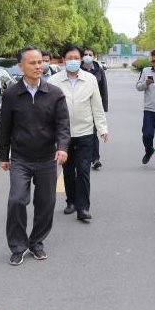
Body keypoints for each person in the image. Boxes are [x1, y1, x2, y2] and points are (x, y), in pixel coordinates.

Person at [0, 46, 70, 265]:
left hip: (47, 157)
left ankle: (36, 243)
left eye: (40, 62)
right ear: (21, 66)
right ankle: (18, 246)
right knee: (17, 200)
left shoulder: (54, 93)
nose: (38, 66)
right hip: (21, 158)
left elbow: (63, 125)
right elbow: (5, 127)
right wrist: (4, 155)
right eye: (32, 63)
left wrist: (62, 147)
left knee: (46, 203)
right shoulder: (11, 94)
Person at [49, 44, 109, 221]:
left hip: (85, 132)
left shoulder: (90, 79)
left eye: (76, 58)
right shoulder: (54, 81)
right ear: (63, 60)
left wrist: (102, 128)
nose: (73, 61)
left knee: (83, 170)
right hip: (63, 135)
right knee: (68, 170)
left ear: (81, 59)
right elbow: (48, 109)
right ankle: (71, 201)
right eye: (69, 58)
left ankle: (83, 208)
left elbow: (97, 107)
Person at [82, 46, 108, 170]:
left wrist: (104, 108)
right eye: (85, 54)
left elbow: (104, 89)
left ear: (94, 56)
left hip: (94, 107)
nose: (87, 56)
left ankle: (95, 159)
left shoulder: (99, 70)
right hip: (80, 107)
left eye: (90, 54)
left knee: (93, 133)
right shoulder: (78, 70)